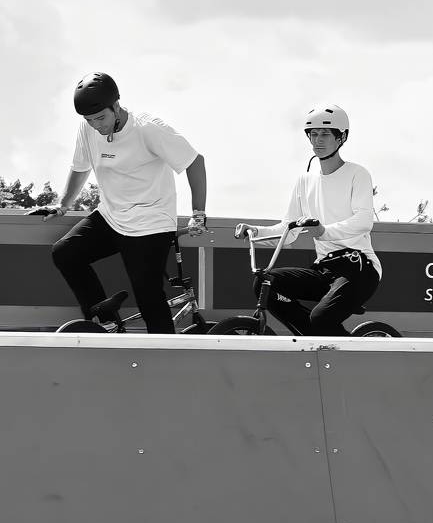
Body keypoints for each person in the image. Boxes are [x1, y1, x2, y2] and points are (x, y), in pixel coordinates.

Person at [38, 72, 207, 333]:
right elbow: (80, 167)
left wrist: (198, 214)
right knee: (65, 253)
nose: (96, 125)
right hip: (111, 217)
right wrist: (63, 205)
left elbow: (194, 162)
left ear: (116, 106)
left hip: (150, 223)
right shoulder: (88, 128)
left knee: (148, 297)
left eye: (100, 118)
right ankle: (105, 321)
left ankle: (165, 353)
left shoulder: (148, 128)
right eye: (89, 120)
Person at [234, 105, 381, 336]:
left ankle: (336, 342)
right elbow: (288, 232)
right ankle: (317, 337)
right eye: (313, 134)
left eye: (325, 134)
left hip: (359, 267)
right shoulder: (304, 181)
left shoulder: (357, 173)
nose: (318, 141)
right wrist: (256, 231)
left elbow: (364, 220)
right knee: (265, 283)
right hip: (324, 268)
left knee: (321, 318)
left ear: (341, 137)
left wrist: (324, 231)